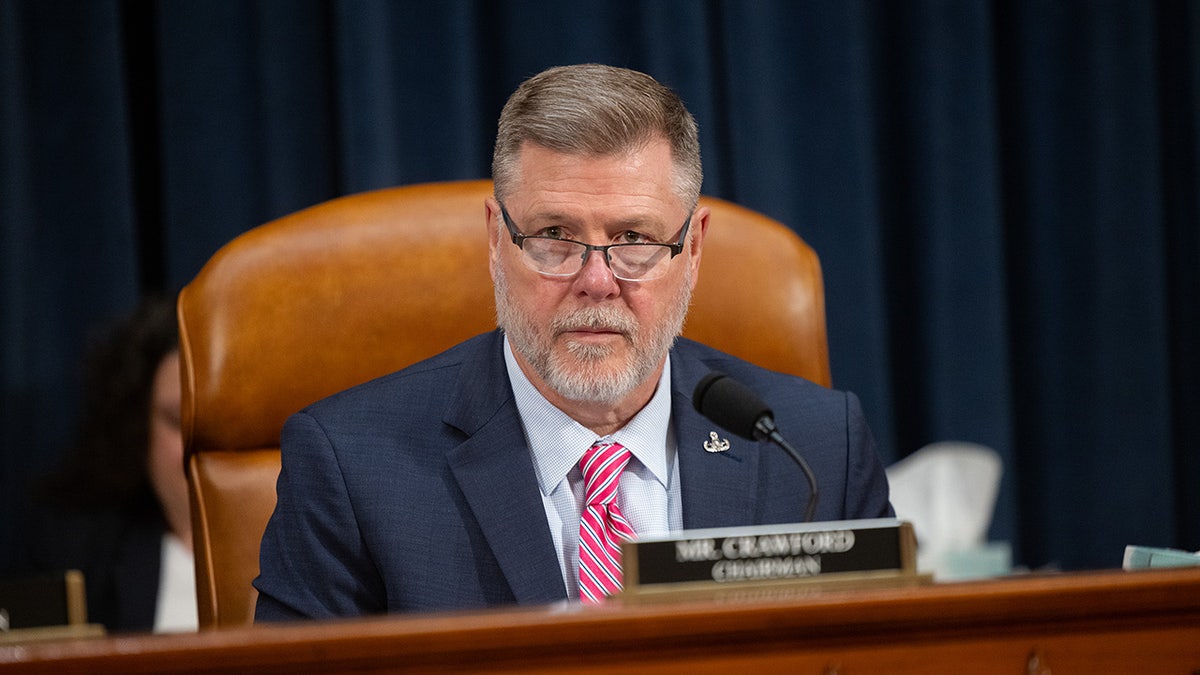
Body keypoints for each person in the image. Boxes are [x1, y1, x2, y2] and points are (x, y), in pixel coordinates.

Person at [254, 63, 892, 620]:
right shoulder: (352, 465)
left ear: (692, 249)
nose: (596, 281)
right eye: (554, 233)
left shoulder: (814, 451)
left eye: (634, 239)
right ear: (496, 239)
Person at [26, 295, 197, 633]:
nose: (200, 445)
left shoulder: (310, 537)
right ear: (137, 427)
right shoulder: (76, 550)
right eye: (179, 422)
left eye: (224, 423)